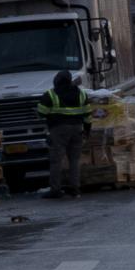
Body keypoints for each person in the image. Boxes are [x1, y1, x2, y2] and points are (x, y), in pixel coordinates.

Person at [36, 71, 91, 199]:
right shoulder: (81, 93)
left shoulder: (50, 94)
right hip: (77, 129)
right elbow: (88, 114)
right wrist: (87, 131)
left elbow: (41, 113)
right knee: (74, 160)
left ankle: (55, 190)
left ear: (57, 80)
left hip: (58, 130)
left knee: (56, 160)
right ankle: (75, 189)